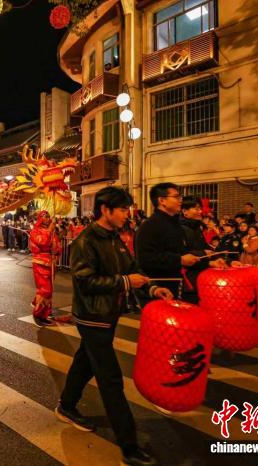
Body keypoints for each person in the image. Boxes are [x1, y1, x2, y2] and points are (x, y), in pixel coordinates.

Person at [58, 187, 171, 466]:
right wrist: (125, 282)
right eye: (121, 210)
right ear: (105, 210)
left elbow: (132, 268)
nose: (126, 215)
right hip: (91, 316)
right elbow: (85, 280)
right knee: (110, 379)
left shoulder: (114, 238)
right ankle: (129, 448)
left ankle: (67, 406)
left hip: (109, 314)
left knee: (85, 361)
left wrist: (152, 288)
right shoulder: (86, 241)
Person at [135, 183, 200, 298]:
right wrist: (179, 260)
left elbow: (182, 251)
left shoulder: (175, 224)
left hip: (177, 284)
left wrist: (205, 260)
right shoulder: (149, 226)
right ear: (162, 201)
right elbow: (146, 258)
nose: (180, 200)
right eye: (176, 197)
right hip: (159, 288)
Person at [179, 197, 221, 303]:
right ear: (184, 211)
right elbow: (181, 252)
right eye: (196, 209)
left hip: (200, 274)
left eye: (200, 209)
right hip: (188, 277)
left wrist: (217, 258)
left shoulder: (196, 228)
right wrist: (203, 254)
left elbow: (204, 247)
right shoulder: (180, 228)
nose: (200, 212)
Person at [29, 211, 61, 326]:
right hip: (40, 263)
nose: (48, 218)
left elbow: (57, 245)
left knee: (49, 290)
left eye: (48, 216)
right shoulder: (35, 231)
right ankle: (37, 314)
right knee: (45, 290)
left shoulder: (51, 231)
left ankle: (44, 315)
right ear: (40, 218)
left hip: (50, 263)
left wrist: (56, 251)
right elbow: (42, 242)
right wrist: (49, 230)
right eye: (45, 216)